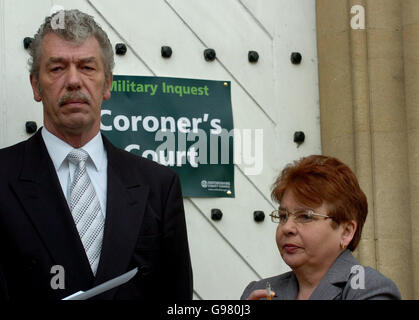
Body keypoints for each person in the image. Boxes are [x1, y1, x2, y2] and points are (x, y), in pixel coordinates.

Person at [0, 9, 192, 300]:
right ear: (35, 86)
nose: (74, 81)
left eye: (87, 67)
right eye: (57, 68)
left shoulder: (159, 186)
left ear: (108, 84)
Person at [241, 155, 401, 300]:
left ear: (346, 232)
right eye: (283, 216)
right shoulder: (258, 292)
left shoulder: (369, 289)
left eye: (305, 216)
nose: (287, 227)